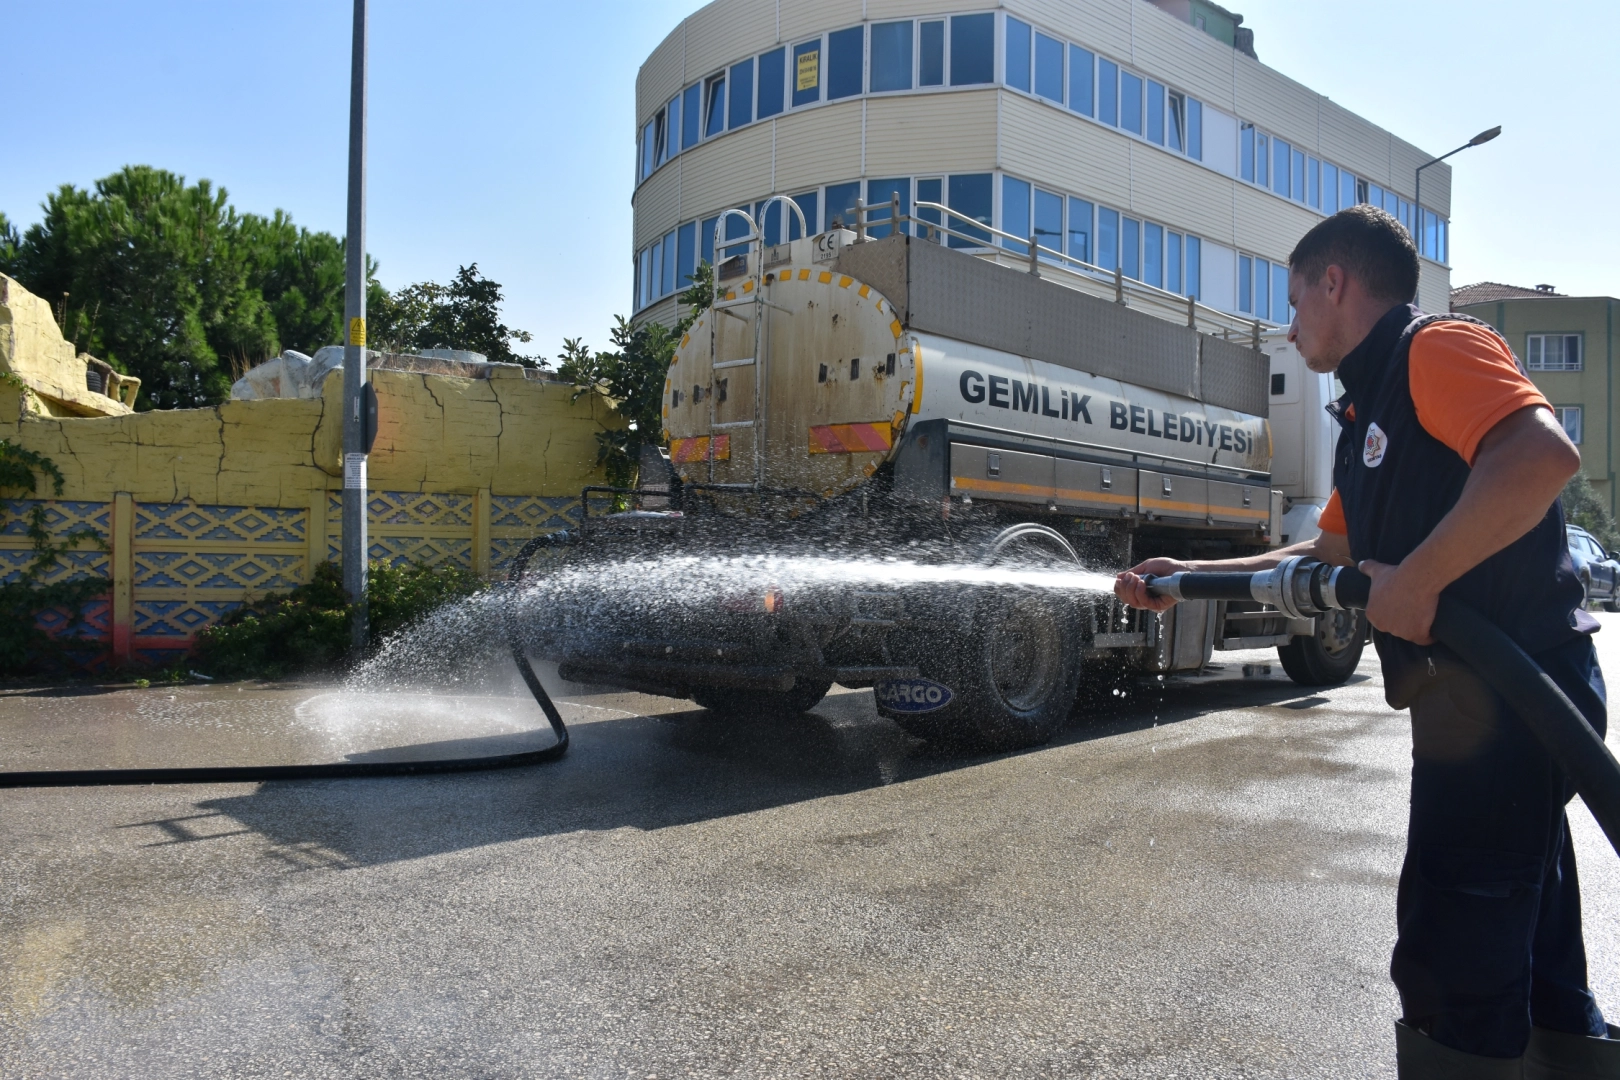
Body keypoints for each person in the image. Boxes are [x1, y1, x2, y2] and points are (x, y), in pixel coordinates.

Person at [1115, 205, 1618, 1079]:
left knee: (1452, 951)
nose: (1289, 321)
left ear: (1335, 282)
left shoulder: (1438, 350)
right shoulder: (1370, 411)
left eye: (1295, 297)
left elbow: (1540, 457)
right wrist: (1185, 575)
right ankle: (1569, 1052)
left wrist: (1420, 576)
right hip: (1479, 708)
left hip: (1515, 697)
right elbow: (1330, 556)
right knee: (1530, 940)